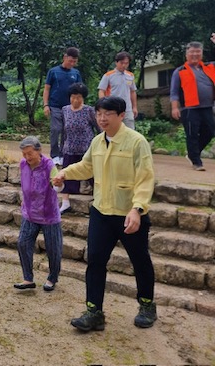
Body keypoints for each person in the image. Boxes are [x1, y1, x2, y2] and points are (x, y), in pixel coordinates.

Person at [52, 96, 156, 332]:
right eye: (99, 113)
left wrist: (137, 208)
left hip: (129, 213)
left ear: (121, 115)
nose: (102, 118)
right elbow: (86, 166)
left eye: (108, 113)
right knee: (96, 261)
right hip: (101, 211)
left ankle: (147, 305)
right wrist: (65, 173)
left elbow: (145, 178)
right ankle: (94, 312)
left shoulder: (137, 142)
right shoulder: (97, 142)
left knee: (140, 261)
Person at [14, 136, 63, 293]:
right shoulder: (23, 164)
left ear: (39, 151)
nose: (27, 157)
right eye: (24, 154)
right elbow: (25, 184)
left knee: (53, 248)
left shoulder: (49, 165)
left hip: (48, 214)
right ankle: (28, 278)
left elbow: (57, 186)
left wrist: (58, 184)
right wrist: (24, 199)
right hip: (30, 212)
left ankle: (52, 278)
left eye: (30, 153)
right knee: (23, 242)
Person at [170, 40, 215, 172]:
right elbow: (174, 92)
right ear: (186, 54)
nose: (195, 54)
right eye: (192, 52)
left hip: (207, 106)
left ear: (202, 53)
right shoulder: (180, 71)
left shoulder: (209, 67)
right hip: (189, 108)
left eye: (198, 52)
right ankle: (196, 162)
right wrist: (174, 107)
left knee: (210, 132)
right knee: (192, 134)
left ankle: (192, 154)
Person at [59, 83, 99, 214]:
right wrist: (61, 148)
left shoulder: (89, 110)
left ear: (83, 98)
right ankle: (65, 203)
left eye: (79, 97)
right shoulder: (65, 110)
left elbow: (98, 128)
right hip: (69, 148)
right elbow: (63, 130)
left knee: (94, 175)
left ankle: (99, 199)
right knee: (66, 174)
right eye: (73, 97)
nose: (76, 100)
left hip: (87, 149)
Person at [43, 47, 83, 166]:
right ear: (64, 57)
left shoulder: (75, 73)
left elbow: (79, 90)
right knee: (56, 129)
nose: (72, 63)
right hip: (55, 105)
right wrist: (46, 104)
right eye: (70, 61)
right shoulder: (53, 71)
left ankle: (63, 154)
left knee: (67, 131)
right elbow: (46, 89)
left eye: (74, 61)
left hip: (70, 107)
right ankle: (54, 154)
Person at [98, 51, 138, 129]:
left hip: (127, 109)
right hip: (112, 108)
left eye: (126, 63)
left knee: (130, 131)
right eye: (122, 63)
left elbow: (132, 92)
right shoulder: (108, 76)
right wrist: (104, 105)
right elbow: (101, 91)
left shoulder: (130, 75)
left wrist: (134, 107)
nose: (124, 65)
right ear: (116, 62)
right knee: (113, 130)